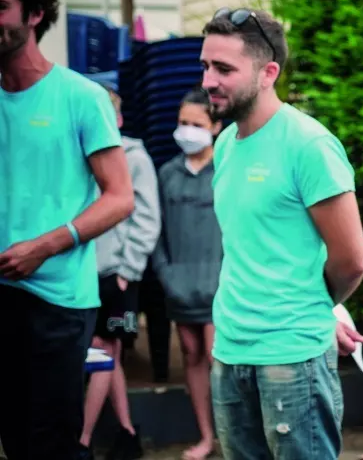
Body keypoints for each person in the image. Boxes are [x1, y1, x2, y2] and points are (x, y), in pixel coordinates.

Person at [201, 7, 363, 460]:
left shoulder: (308, 145)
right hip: (229, 349)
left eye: (224, 69)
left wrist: (310, 309)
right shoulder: (224, 144)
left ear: (268, 73)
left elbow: (351, 260)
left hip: (292, 357)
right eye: (206, 66)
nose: (209, 80)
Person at [0, 0, 134, 460]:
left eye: (0, 7)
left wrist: (44, 246)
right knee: (15, 441)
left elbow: (120, 197)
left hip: (56, 300)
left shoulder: (81, 97)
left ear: (35, 14)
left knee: (50, 446)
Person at [80, 85, 161, 460]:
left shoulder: (135, 157)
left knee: (103, 352)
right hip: (84, 272)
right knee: (105, 353)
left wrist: (127, 270)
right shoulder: (81, 153)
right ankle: (127, 433)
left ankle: (82, 440)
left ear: (119, 119)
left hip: (117, 273)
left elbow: (147, 218)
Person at [151, 87, 223, 460]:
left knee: (217, 358)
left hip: (219, 289)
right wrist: (167, 276)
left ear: (216, 126)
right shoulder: (167, 174)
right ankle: (206, 437)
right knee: (191, 355)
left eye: (196, 124)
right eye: (183, 123)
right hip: (180, 289)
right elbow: (156, 231)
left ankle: (234, 437)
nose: (187, 131)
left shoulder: (226, 170)